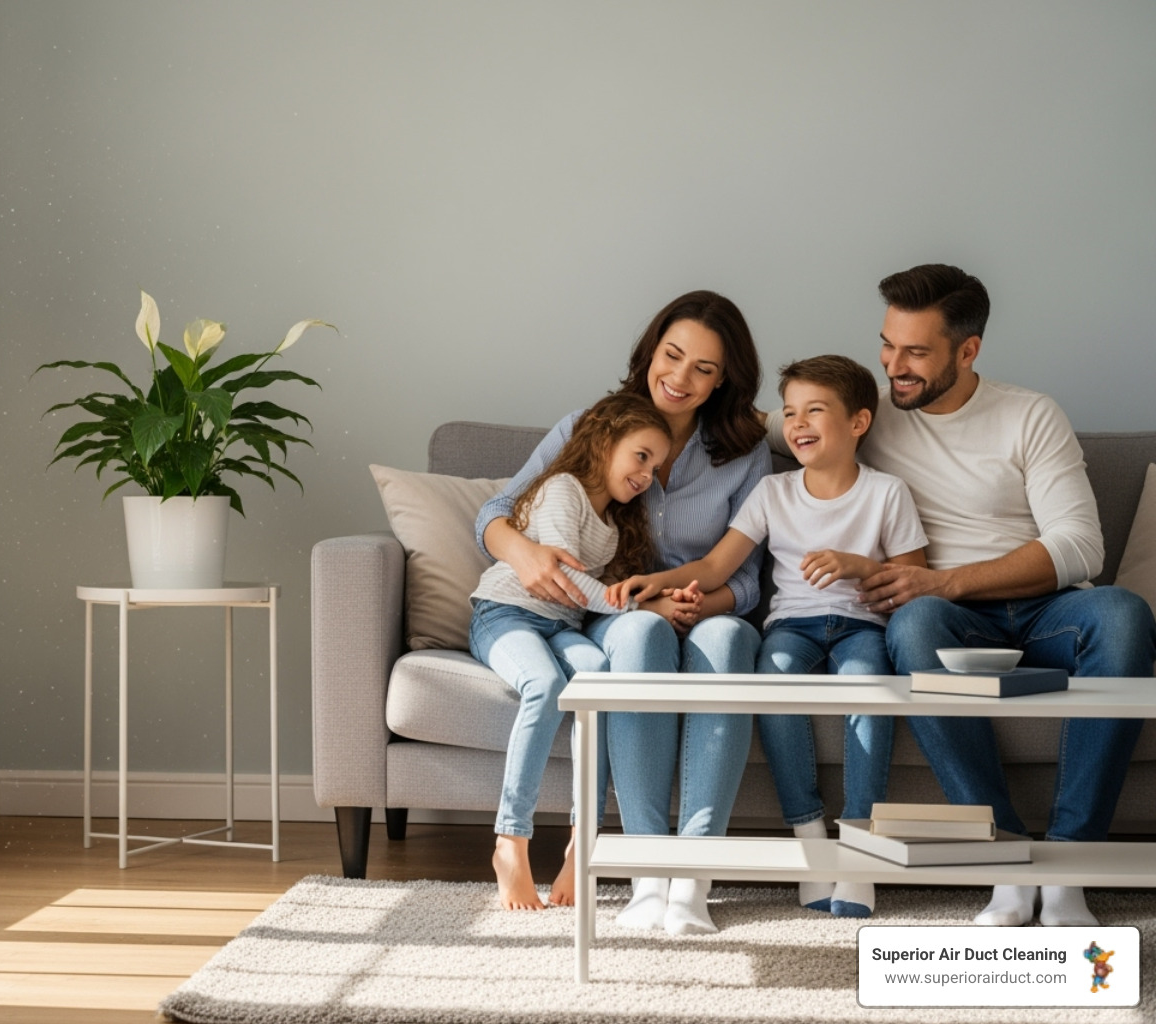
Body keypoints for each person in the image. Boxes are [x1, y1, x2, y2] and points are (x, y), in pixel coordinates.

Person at [847, 264, 1156, 927]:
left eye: (915, 352)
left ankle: (1070, 866)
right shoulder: (865, 416)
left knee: (1125, 614)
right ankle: (1004, 860)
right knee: (912, 624)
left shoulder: (1029, 414)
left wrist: (945, 579)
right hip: (950, 620)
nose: (894, 366)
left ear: (967, 350)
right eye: (887, 345)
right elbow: (763, 424)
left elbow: (1080, 546)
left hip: (1049, 609)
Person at [476, 290, 771, 934]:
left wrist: (701, 601)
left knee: (727, 641)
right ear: (651, 350)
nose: (680, 378)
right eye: (672, 355)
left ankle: (692, 882)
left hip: (706, 606)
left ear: (724, 381)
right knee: (639, 635)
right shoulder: (591, 425)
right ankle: (645, 874)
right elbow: (496, 512)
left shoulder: (745, 451)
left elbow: (747, 580)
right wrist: (525, 554)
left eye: (704, 369)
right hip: (616, 606)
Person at [613, 355, 927, 919]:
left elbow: (913, 579)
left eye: (815, 411)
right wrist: (656, 583)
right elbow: (716, 566)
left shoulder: (887, 492)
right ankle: (811, 842)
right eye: (790, 412)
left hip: (862, 626)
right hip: (791, 628)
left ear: (858, 422)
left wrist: (858, 566)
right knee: (774, 683)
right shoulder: (772, 491)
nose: (798, 423)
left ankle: (861, 850)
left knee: (869, 689)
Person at [469, 393, 674, 910]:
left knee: (598, 677)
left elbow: (585, 597)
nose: (647, 475)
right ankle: (510, 841)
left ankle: (583, 842)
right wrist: (639, 606)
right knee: (546, 684)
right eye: (641, 456)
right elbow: (562, 579)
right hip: (506, 614)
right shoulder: (562, 488)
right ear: (605, 442)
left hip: (559, 625)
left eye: (656, 467)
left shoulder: (615, 525)